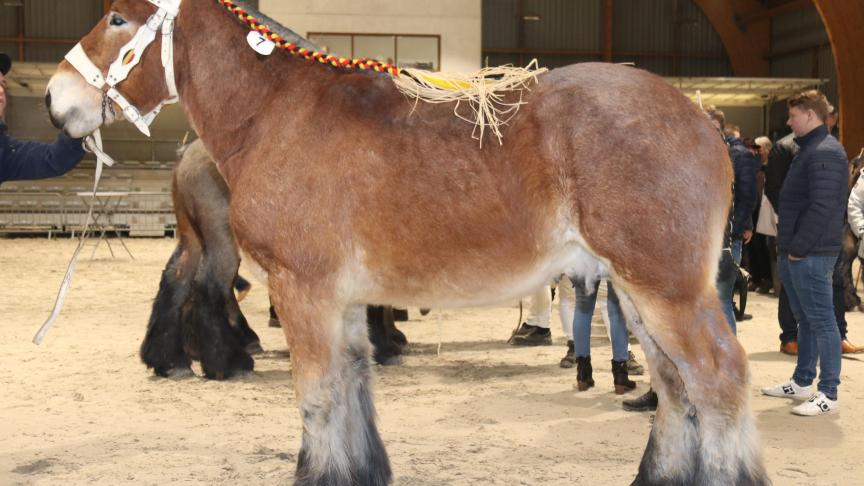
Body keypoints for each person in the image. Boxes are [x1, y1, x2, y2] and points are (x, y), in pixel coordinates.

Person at [762, 90, 847, 416]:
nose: (788, 121)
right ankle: (802, 381)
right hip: (798, 251)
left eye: (793, 115)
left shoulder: (825, 153)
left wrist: (798, 248)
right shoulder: (809, 149)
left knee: (824, 323)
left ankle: (829, 392)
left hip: (810, 253)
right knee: (806, 320)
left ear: (810, 116)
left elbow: (823, 208)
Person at [0, 53, 86, 185]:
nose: (1, 90)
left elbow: (54, 159)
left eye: (2, 85)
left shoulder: (5, 150)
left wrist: (78, 120)